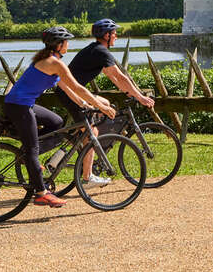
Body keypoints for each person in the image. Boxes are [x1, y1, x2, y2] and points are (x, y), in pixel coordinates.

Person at [4, 26, 116, 209]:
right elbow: (79, 87)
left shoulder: (50, 60)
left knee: (56, 123)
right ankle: (41, 193)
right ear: (59, 44)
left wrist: (84, 104)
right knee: (32, 149)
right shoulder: (53, 62)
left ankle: (29, 158)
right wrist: (101, 106)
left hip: (23, 104)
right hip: (19, 106)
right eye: (66, 41)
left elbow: (67, 88)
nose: (68, 44)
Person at [55, 18, 154, 185]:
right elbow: (120, 76)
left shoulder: (97, 50)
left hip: (72, 92)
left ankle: (86, 142)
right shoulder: (101, 51)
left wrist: (130, 92)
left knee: (106, 105)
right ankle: (88, 176)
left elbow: (113, 77)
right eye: (114, 33)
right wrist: (140, 97)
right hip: (71, 94)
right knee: (92, 133)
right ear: (106, 35)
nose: (116, 36)